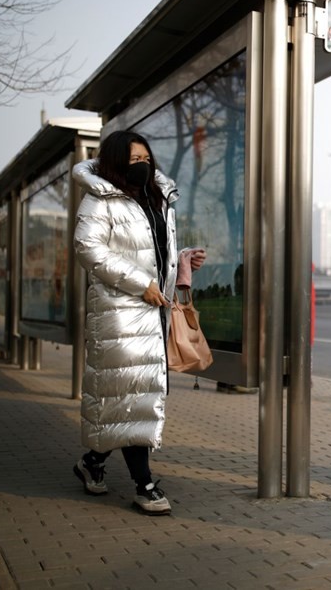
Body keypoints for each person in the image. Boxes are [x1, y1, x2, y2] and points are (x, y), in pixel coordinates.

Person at [72, 130, 206, 515]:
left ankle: (92, 463)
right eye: (132, 159)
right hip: (118, 313)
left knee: (131, 397)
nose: (142, 164)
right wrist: (140, 283)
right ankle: (144, 484)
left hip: (153, 311)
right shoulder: (101, 199)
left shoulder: (158, 199)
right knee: (133, 395)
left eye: (145, 157)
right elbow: (88, 249)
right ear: (115, 162)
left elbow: (150, 249)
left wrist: (181, 259)